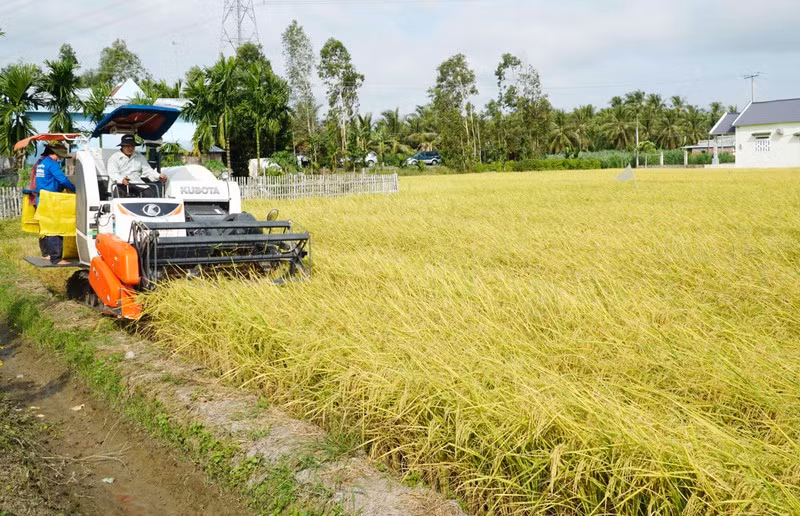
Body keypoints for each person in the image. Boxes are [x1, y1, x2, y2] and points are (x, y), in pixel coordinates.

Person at [34, 143, 75, 265]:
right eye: (60, 155)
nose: (61, 158)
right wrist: (75, 189)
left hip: (42, 199)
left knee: (45, 228)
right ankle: (56, 259)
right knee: (55, 228)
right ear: (54, 153)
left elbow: (49, 179)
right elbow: (62, 179)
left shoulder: (41, 163)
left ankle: (46, 254)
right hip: (51, 200)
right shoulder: (52, 164)